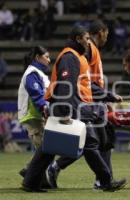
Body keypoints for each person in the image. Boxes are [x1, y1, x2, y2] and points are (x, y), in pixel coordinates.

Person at [21, 26, 124, 192]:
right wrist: (67, 111)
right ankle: (105, 181)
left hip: (74, 106)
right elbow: (65, 86)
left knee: (54, 146)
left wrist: (109, 96)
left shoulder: (78, 57)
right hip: (70, 108)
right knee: (79, 144)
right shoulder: (70, 56)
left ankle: (30, 182)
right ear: (78, 39)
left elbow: (86, 86)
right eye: (87, 39)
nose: (89, 42)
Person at [18, 46, 51, 149]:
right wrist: (45, 109)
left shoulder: (39, 73)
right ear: (38, 57)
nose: (49, 60)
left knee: (44, 153)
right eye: (47, 57)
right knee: (44, 152)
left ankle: (32, 166)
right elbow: (36, 94)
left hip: (38, 116)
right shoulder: (32, 73)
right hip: (33, 116)